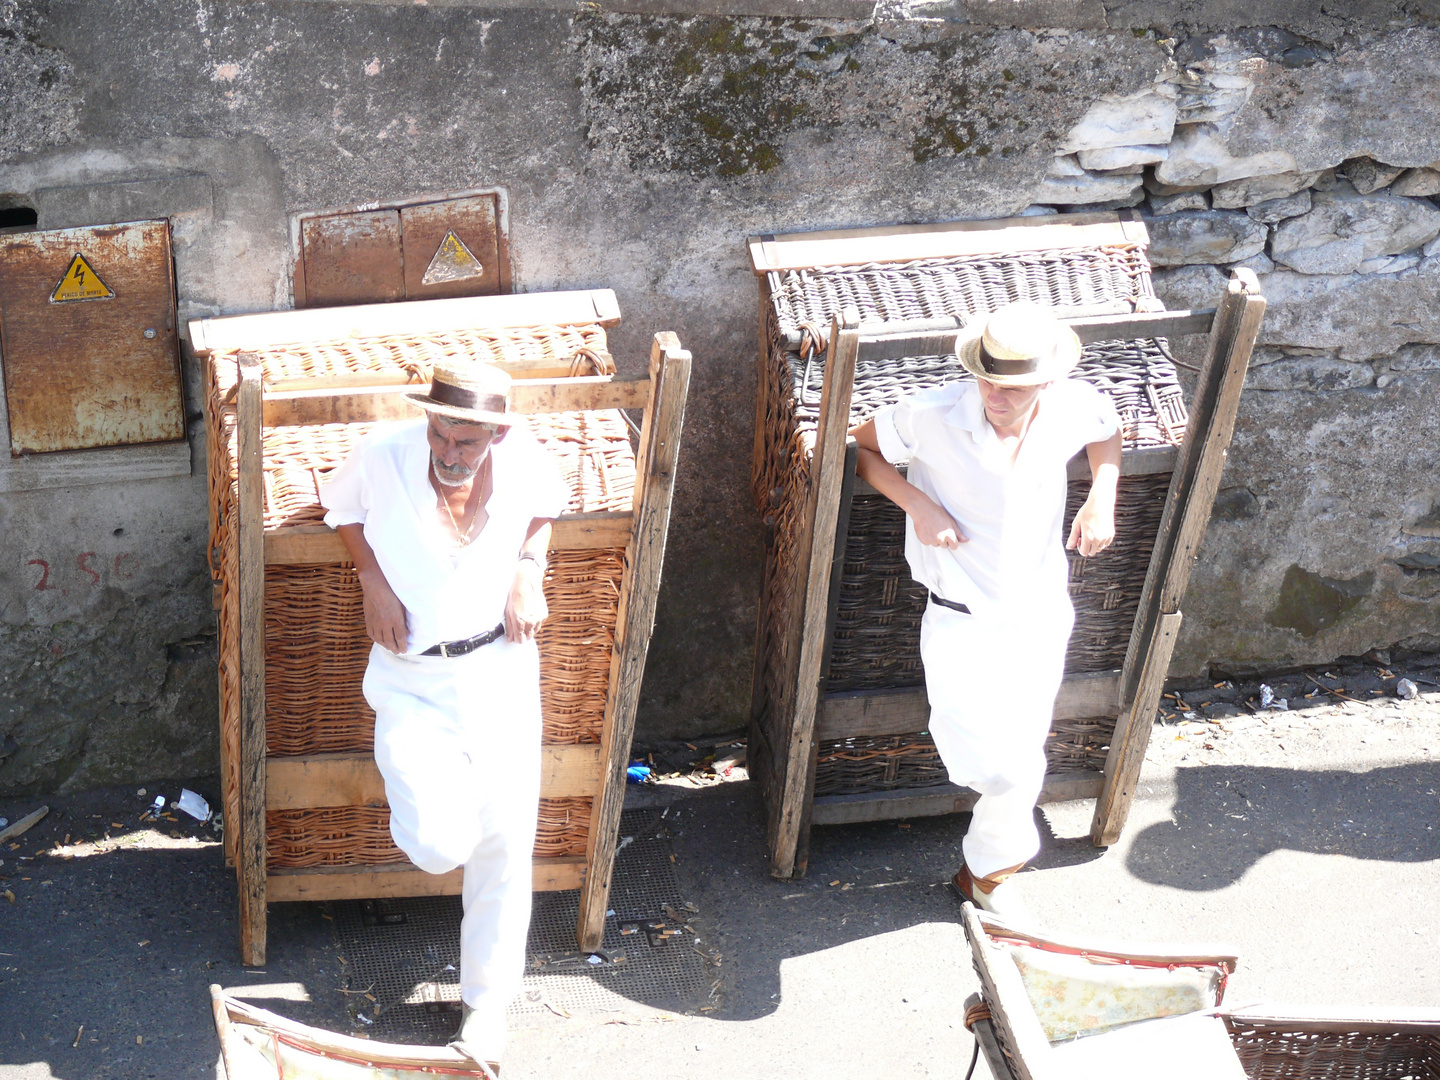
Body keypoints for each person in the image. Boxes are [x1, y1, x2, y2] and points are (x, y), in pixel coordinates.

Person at [320, 360, 568, 1067]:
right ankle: (441, 821)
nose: (449, 455)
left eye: (466, 443)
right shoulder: (384, 455)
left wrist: (529, 566)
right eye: (440, 435)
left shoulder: (523, 460)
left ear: (497, 432)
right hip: (411, 679)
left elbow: (548, 501)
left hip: (502, 671)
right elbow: (339, 507)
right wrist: (371, 579)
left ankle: (486, 1012)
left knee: (504, 845)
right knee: (437, 845)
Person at [848, 302, 1122, 919]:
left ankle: (988, 873)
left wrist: (1101, 497)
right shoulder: (931, 414)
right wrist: (916, 502)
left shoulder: (1073, 406)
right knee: (993, 765)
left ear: (1045, 383)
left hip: (1042, 611)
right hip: (959, 618)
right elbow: (862, 450)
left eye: (1014, 385)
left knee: (1024, 753)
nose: (996, 394)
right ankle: (995, 858)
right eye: (987, 378)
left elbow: (1107, 433)